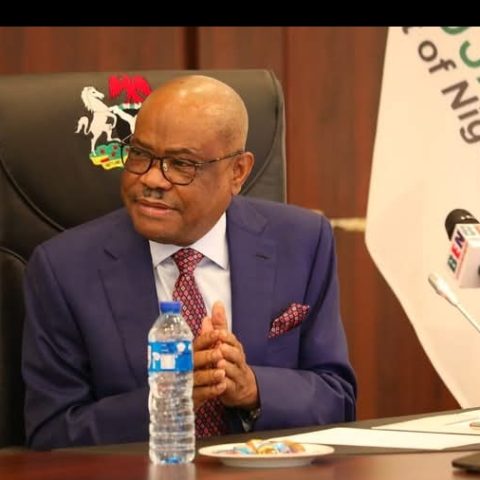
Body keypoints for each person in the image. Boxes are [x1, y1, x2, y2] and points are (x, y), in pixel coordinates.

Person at [22, 75, 357, 449]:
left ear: (237, 172)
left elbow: (337, 399)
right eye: (139, 154)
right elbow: (51, 433)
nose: (152, 179)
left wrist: (252, 388)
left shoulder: (302, 241)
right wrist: (167, 399)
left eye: (181, 164)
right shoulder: (63, 269)